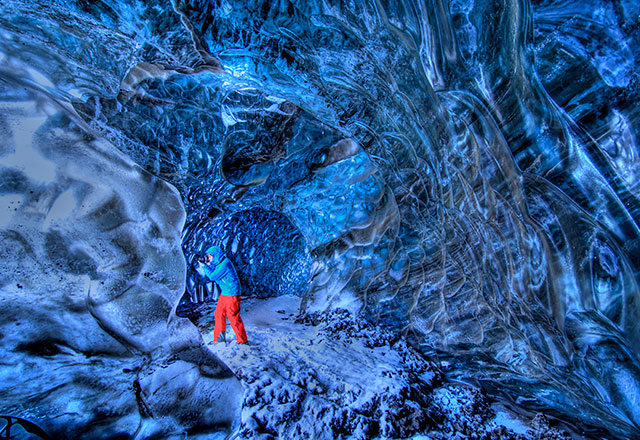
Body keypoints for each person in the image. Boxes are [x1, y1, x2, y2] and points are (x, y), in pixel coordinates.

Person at [198, 245, 248, 345]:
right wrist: (207, 264)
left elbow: (213, 276)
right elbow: (214, 269)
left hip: (232, 293)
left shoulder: (225, 264)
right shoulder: (220, 263)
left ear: (215, 255)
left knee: (232, 316)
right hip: (225, 292)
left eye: (209, 257)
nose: (208, 259)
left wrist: (204, 266)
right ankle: (219, 338)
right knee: (219, 313)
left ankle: (243, 341)